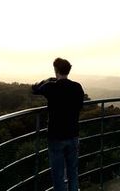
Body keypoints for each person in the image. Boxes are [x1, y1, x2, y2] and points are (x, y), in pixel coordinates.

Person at [32, 58, 85, 191]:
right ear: (68, 70)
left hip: (55, 137)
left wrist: (48, 80)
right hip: (73, 135)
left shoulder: (51, 87)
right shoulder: (77, 87)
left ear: (56, 70)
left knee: (58, 175)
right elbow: (80, 106)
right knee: (73, 172)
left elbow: (35, 89)